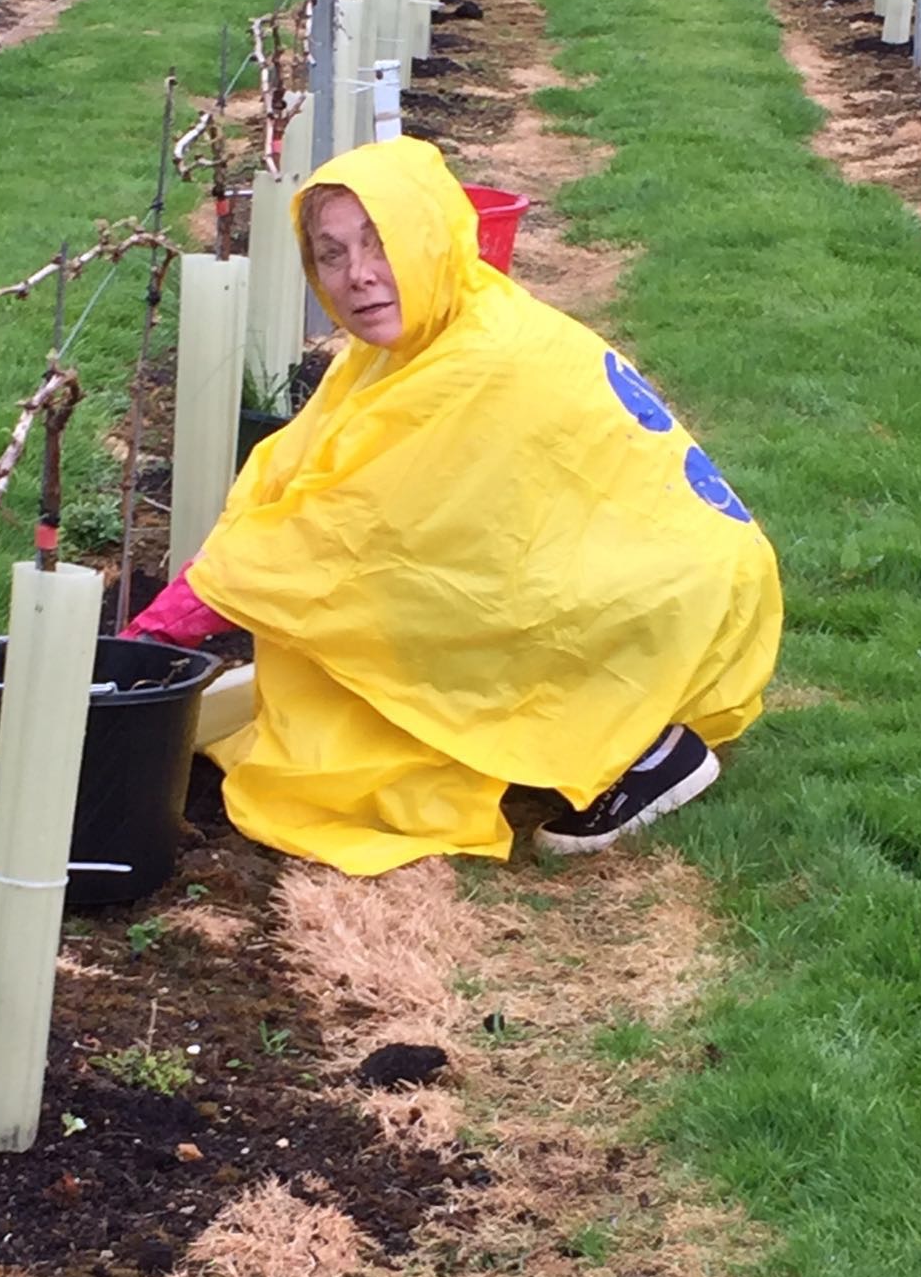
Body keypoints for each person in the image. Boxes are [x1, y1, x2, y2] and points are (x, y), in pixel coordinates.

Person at [124, 136, 782, 875]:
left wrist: (164, 629)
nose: (359, 277)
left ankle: (646, 752)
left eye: (380, 244)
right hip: (660, 572)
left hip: (673, 605)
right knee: (399, 616)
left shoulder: (478, 363)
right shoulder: (433, 331)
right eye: (332, 254)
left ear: (430, 237)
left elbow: (343, 531)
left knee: (420, 591)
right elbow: (296, 471)